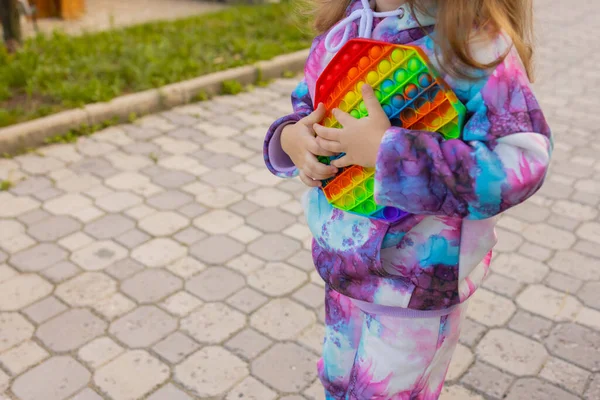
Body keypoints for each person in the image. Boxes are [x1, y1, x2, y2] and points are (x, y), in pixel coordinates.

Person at [263, 0, 552, 398]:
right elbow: (308, 104)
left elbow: (523, 162)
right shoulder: (345, 25)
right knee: (336, 381)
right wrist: (292, 138)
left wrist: (391, 153)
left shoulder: (473, 43)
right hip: (342, 270)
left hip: (415, 290)